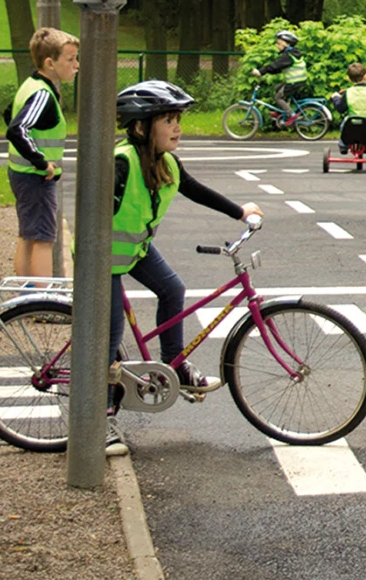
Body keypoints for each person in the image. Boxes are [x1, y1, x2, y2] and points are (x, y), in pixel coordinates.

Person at [106, 80, 264, 455]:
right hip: (103, 261)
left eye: (178, 120)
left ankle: (173, 365)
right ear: (142, 127)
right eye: (168, 120)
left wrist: (239, 211)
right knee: (107, 340)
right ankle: (97, 421)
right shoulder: (122, 162)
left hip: (135, 251)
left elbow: (195, 189)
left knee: (172, 289)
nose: (177, 127)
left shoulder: (168, 164)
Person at [6, 27, 80, 278]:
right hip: (35, 177)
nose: (76, 65)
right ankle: (42, 301)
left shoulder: (31, 85)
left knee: (29, 235)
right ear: (50, 63)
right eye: (70, 59)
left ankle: (26, 294)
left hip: (23, 174)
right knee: (43, 238)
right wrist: (41, 162)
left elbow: (10, 114)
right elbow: (18, 129)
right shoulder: (42, 95)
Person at [329, 62, 366, 158]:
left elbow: (341, 109)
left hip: (352, 128)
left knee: (345, 122)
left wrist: (336, 97)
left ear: (348, 78)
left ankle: (343, 145)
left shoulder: (348, 93)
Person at [250, 30, 309, 124]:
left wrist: (260, 71)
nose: (277, 46)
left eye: (279, 43)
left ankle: (291, 115)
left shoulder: (288, 56)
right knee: (277, 88)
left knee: (278, 98)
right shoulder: (292, 53)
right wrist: (268, 72)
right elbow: (278, 68)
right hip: (297, 81)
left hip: (294, 82)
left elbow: (275, 65)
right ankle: (281, 112)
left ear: (286, 44)